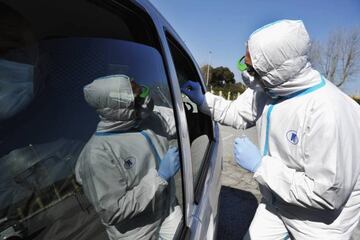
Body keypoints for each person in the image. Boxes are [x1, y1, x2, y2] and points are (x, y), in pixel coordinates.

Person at [181, 20, 360, 239]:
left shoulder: (329, 112)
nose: (246, 74)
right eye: (245, 63)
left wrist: (260, 165)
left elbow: (327, 194)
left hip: (319, 224)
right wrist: (203, 100)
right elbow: (238, 112)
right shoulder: (269, 89)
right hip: (277, 200)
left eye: (252, 68)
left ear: (277, 71)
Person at [75, 74, 182, 240]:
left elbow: (177, 120)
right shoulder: (97, 154)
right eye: (137, 97)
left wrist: (204, 106)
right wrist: (159, 178)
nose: (145, 100)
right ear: (118, 108)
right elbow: (113, 211)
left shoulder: (147, 121)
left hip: (167, 209)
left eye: (142, 91)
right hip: (137, 233)